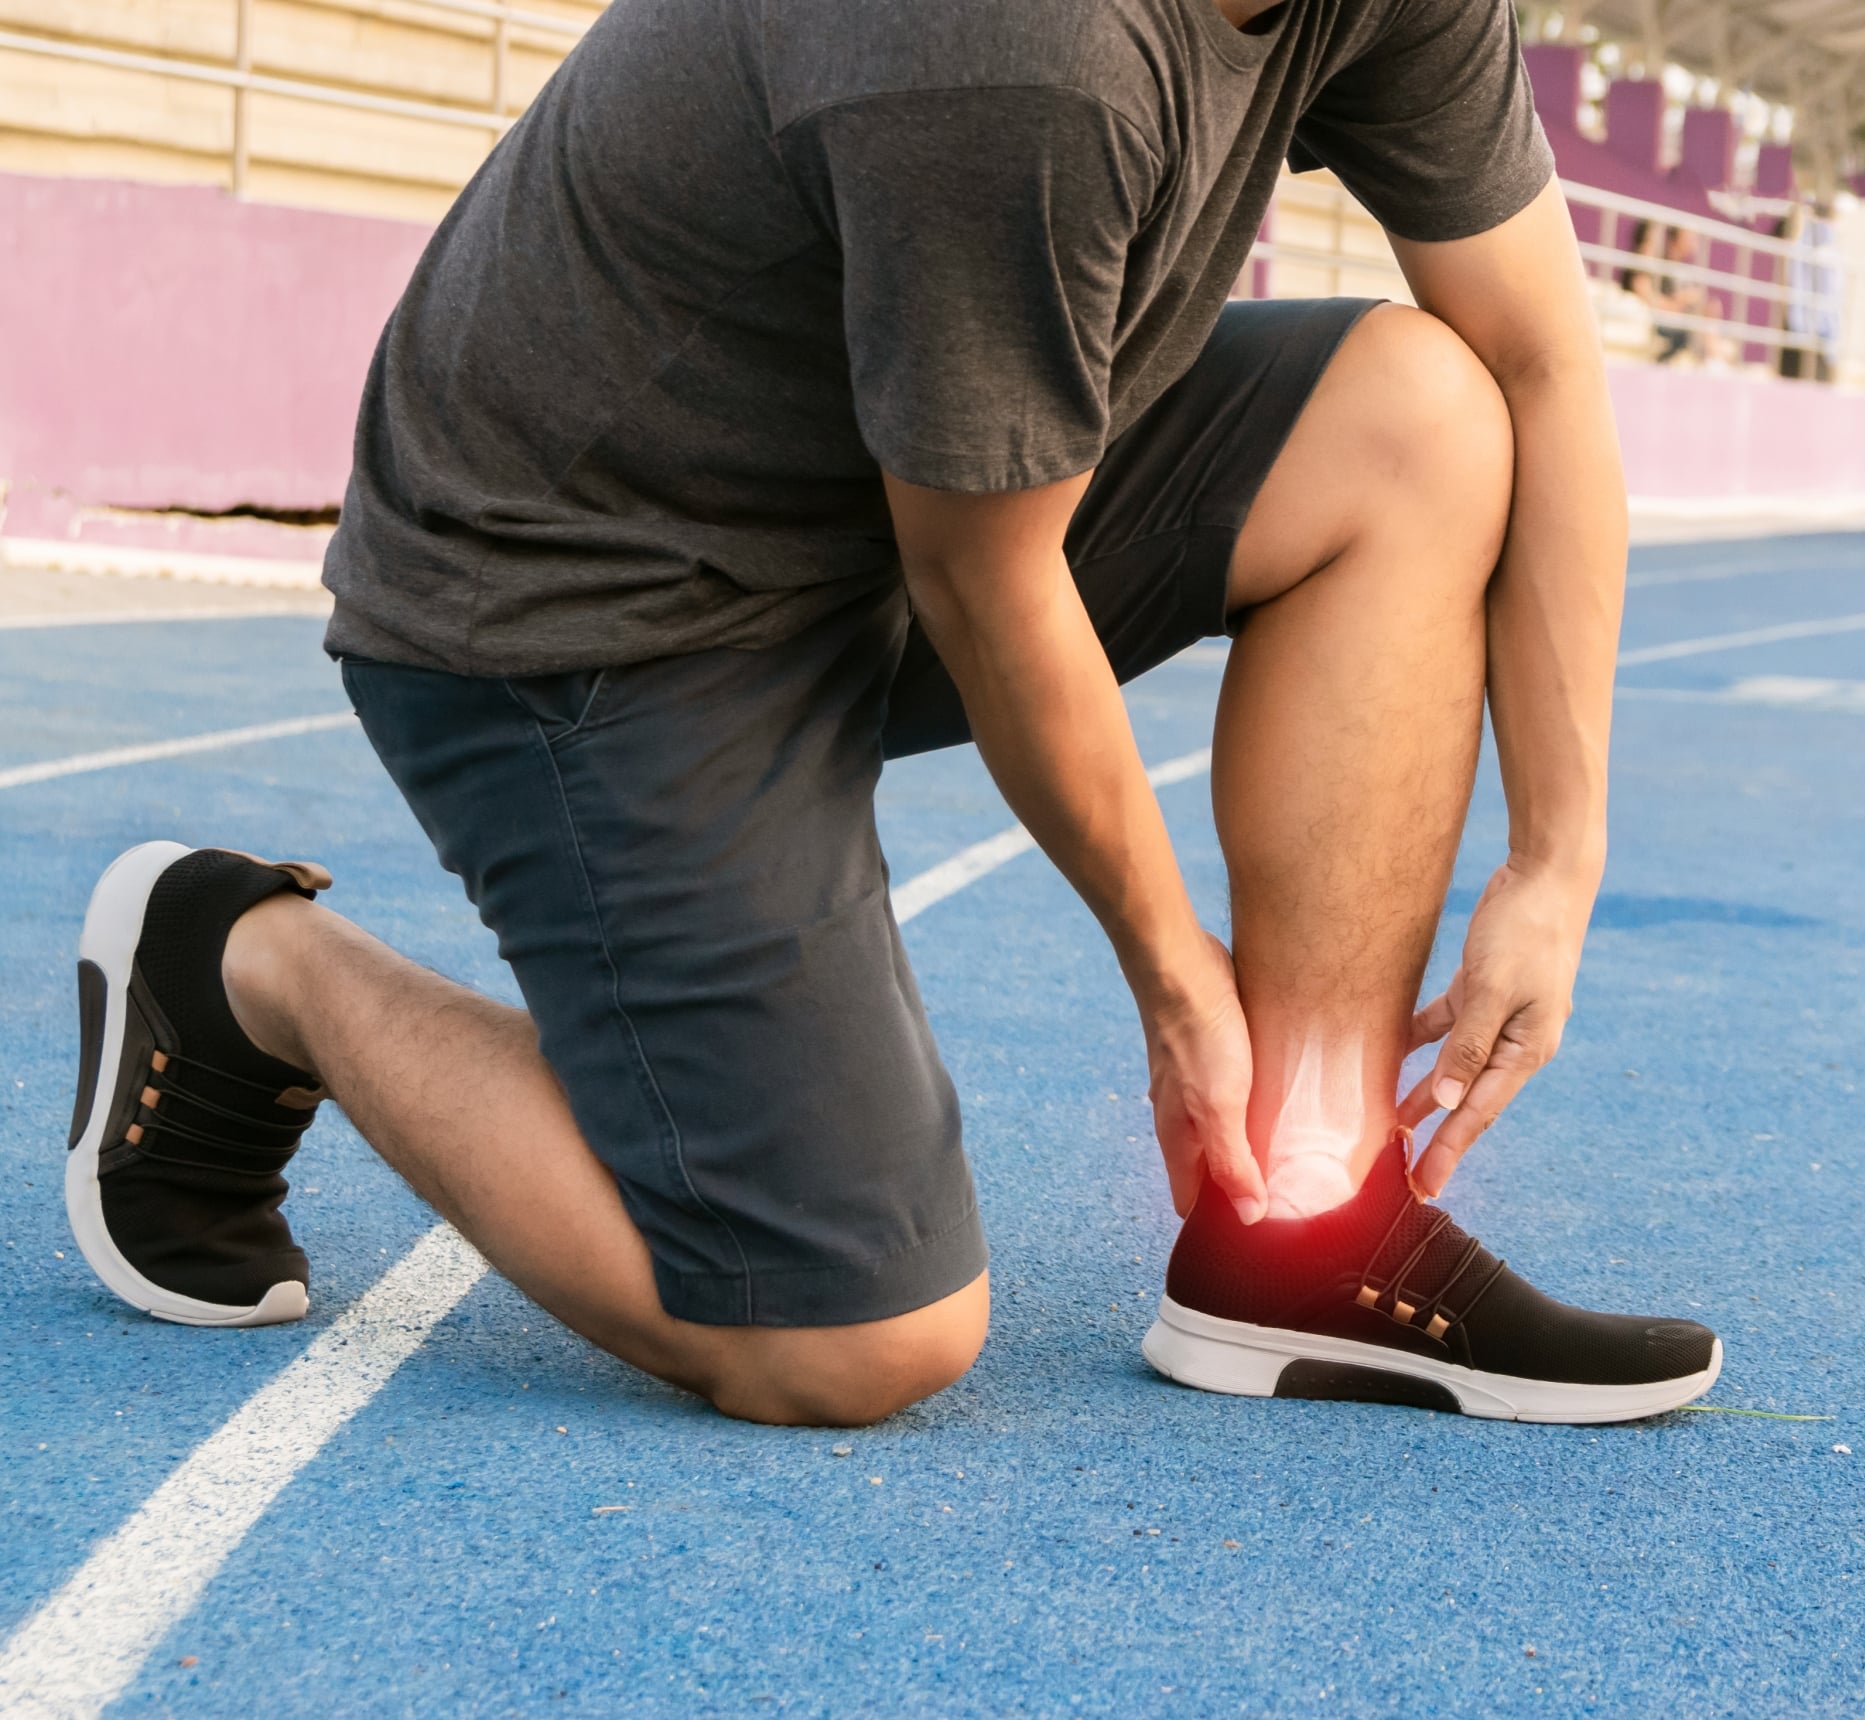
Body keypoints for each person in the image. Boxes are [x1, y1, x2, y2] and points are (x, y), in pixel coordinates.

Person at [62, 0, 1722, 1427]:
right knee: (850, 1343)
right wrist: (1176, 982)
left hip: (873, 495)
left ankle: (1305, 1230)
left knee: (1423, 420)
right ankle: (254, 968)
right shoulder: (1022, 53)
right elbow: (987, 581)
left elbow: (1542, 364)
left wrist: (1558, 861)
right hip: (588, 589)